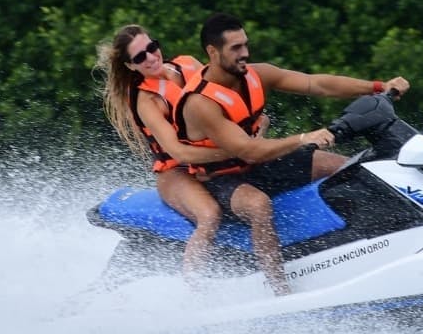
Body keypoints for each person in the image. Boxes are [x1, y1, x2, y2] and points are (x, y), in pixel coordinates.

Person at [175, 12, 410, 295]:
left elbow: (317, 84)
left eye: (245, 45)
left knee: (347, 167)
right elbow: (246, 149)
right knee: (259, 205)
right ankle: (280, 291)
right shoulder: (200, 102)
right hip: (219, 179)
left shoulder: (256, 74)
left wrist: (377, 87)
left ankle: (377, 244)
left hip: (257, 165)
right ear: (212, 52)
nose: (245, 53)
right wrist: (303, 138)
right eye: (235, 48)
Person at [99, 24, 318, 284]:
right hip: (177, 171)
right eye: (139, 57)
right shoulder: (146, 101)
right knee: (209, 216)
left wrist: (253, 133)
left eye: (152, 47)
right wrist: (236, 149)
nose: (150, 56)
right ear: (130, 66)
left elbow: (228, 106)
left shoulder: (188, 65)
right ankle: (195, 296)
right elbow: (179, 151)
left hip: (221, 158)